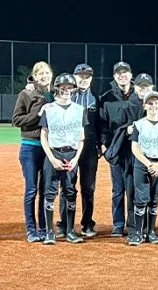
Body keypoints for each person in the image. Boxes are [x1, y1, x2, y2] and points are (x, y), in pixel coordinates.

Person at [39, 73, 88, 244]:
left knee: (70, 192)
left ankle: (69, 231)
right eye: (63, 88)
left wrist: (76, 159)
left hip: (71, 155)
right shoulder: (49, 109)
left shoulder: (79, 110)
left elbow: (82, 138)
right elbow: (43, 136)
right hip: (54, 154)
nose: (66, 91)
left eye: (69, 88)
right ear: (57, 89)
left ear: (74, 90)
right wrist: (51, 158)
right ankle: (49, 232)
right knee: (50, 192)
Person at [127, 91, 158, 246]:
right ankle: (138, 233)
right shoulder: (139, 125)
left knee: (154, 199)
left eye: (156, 103)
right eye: (150, 103)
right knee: (141, 198)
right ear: (145, 105)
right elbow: (135, 147)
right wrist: (148, 164)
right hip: (142, 164)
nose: (153, 106)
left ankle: (151, 232)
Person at [13, 61, 52, 243]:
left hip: (48, 148)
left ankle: (43, 228)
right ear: (35, 76)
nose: (44, 75)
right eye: (40, 73)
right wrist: (36, 114)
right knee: (31, 189)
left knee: (45, 190)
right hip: (30, 146)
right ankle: (31, 229)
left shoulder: (54, 95)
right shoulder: (26, 93)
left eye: (47, 72)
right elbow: (16, 120)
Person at [98, 61, 135, 237]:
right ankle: (118, 224)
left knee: (134, 188)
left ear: (130, 75)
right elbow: (102, 125)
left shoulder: (141, 95)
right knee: (118, 189)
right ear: (114, 77)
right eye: (118, 73)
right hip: (117, 150)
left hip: (137, 150)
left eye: (125, 72)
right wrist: (107, 146)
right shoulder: (106, 98)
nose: (122, 75)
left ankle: (134, 223)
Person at [65, 64, 101, 239]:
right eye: (80, 75)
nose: (83, 79)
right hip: (69, 147)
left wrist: (100, 145)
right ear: (74, 77)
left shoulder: (96, 99)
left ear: (91, 79)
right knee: (67, 185)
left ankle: (87, 223)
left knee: (88, 187)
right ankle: (65, 223)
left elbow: (100, 124)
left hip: (89, 148)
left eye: (87, 76)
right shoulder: (66, 97)